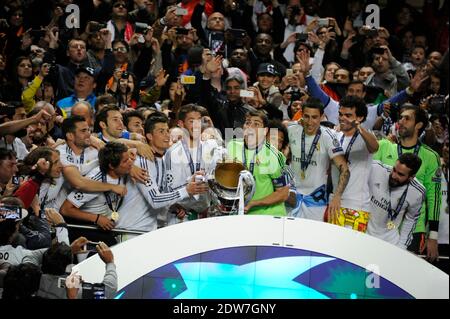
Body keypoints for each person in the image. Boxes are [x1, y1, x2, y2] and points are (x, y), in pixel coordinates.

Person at [373, 104, 442, 261]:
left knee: (402, 277)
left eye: (407, 118)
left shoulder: (430, 157)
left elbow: (434, 197)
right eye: (401, 117)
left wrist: (433, 235)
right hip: (378, 225)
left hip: (413, 228)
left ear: (418, 125)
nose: (401, 121)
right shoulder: (384, 147)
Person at [287, 97, 350, 223]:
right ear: (301, 115)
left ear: (322, 117)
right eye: (306, 116)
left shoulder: (328, 136)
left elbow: (345, 169)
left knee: (312, 240)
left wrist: (337, 197)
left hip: (315, 201)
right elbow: (273, 135)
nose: (310, 122)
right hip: (292, 197)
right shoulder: (292, 130)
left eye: (314, 117)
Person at [329, 96, 379, 232]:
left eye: (348, 115)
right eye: (340, 114)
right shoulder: (336, 136)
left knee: (352, 251)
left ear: (360, 117)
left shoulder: (365, 137)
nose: (342, 118)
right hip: (335, 202)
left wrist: (358, 127)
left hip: (357, 205)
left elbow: (375, 147)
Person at [227, 110, 290, 216]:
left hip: (267, 215)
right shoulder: (232, 146)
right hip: (239, 214)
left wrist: (254, 203)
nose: (250, 127)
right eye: (247, 123)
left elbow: (283, 193)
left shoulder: (274, 155)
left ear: (265, 131)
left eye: (256, 124)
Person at [367, 154, 425, 250]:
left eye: (400, 174)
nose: (394, 175)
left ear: (411, 177)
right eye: (394, 169)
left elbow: (410, 220)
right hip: (363, 235)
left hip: (389, 243)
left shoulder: (417, 192)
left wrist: (401, 247)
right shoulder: (376, 169)